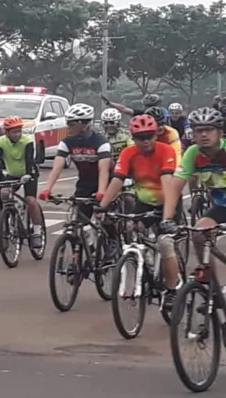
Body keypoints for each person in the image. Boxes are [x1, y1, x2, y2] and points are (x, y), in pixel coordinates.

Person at [96, 114, 180, 309]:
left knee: (165, 243)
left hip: (166, 201)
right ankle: (146, 263)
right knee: (132, 227)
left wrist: (167, 216)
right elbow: (117, 180)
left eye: (149, 136)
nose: (146, 141)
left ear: (155, 135)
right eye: (140, 137)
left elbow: (167, 183)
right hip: (143, 202)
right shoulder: (128, 153)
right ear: (133, 138)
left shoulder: (166, 150)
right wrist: (103, 206)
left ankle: (172, 289)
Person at [163, 107, 226, 285]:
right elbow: (174, 187)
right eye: (199, 131)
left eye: (209, 130)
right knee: (198, 233)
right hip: (222, 206)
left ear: (220, 132)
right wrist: (167, 218)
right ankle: (210, 279)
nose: (204, 134)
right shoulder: (192, 153)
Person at [39, 104, 111, 250]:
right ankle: (83, 251)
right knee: (78, 222)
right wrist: (47, 189)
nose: (67, 126)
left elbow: (104, 170)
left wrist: (102, 192)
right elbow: (57, 167)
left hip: (105, 185)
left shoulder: (100, 142)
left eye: (70, 123)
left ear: (82, 125)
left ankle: (112, 245)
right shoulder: (67, 142)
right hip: (84, 185)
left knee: (105, 220)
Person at [0, 115, 43, 248]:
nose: (17, 134)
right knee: (4, 193)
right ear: (7, 132)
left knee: (31, 201)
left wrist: (28, 174)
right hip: (12, 174)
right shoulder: (0, 141)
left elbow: (29, 159)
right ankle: (10, 216)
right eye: (14, 131)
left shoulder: (27, 140)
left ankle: (37, 232)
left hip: (29, 174)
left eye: (19, 131)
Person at [105, 93, 170, 122]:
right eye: (148, 106)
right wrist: (110, 103)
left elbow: (124, 109)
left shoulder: (164, 112)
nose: (151, 109)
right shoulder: (143, 113)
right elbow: (124, 109)